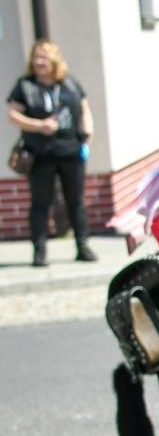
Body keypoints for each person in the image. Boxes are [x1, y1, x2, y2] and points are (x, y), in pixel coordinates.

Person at [7, 40, 95, 266]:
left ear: (54, 60)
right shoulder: (25, 85)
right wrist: (39, 125)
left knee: (75, 200)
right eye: (36, 58)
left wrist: (88, 130)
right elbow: (13, 115)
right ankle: (40, 250)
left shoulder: (69, 83)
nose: (38, 62)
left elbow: (84, 107)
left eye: (43, 58)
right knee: (40, 202)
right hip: (40, 154)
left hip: (70, 151)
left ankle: (83, 245)